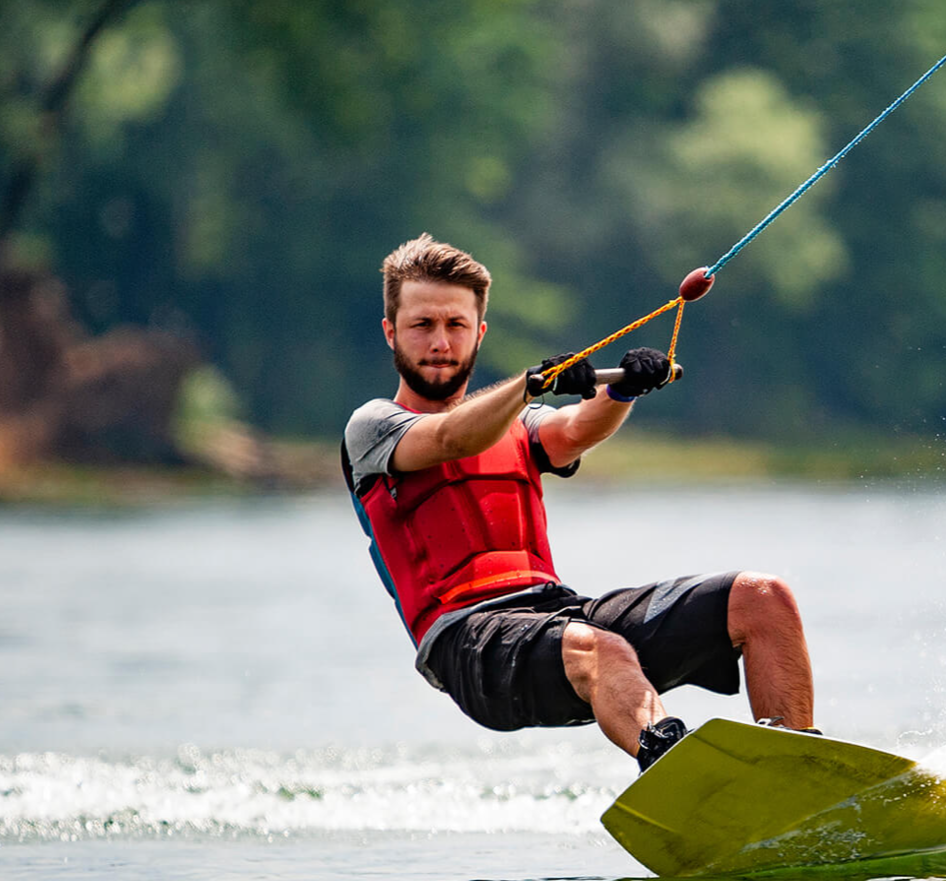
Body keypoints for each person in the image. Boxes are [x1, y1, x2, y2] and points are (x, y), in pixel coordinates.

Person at [341, 234, 817, 771]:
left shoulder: (516, 423)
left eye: (456, 325)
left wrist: (622, 390)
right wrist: (529, 384)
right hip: (468, 645)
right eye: (422, 325)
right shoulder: (373, 427)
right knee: (602, 648)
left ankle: (795, 773)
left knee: (762, 598)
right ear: (391, 333)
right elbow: (451, 439)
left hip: (555, 614)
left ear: (479, 331)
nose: (440, 342)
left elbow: (572, 431)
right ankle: (683, 773)